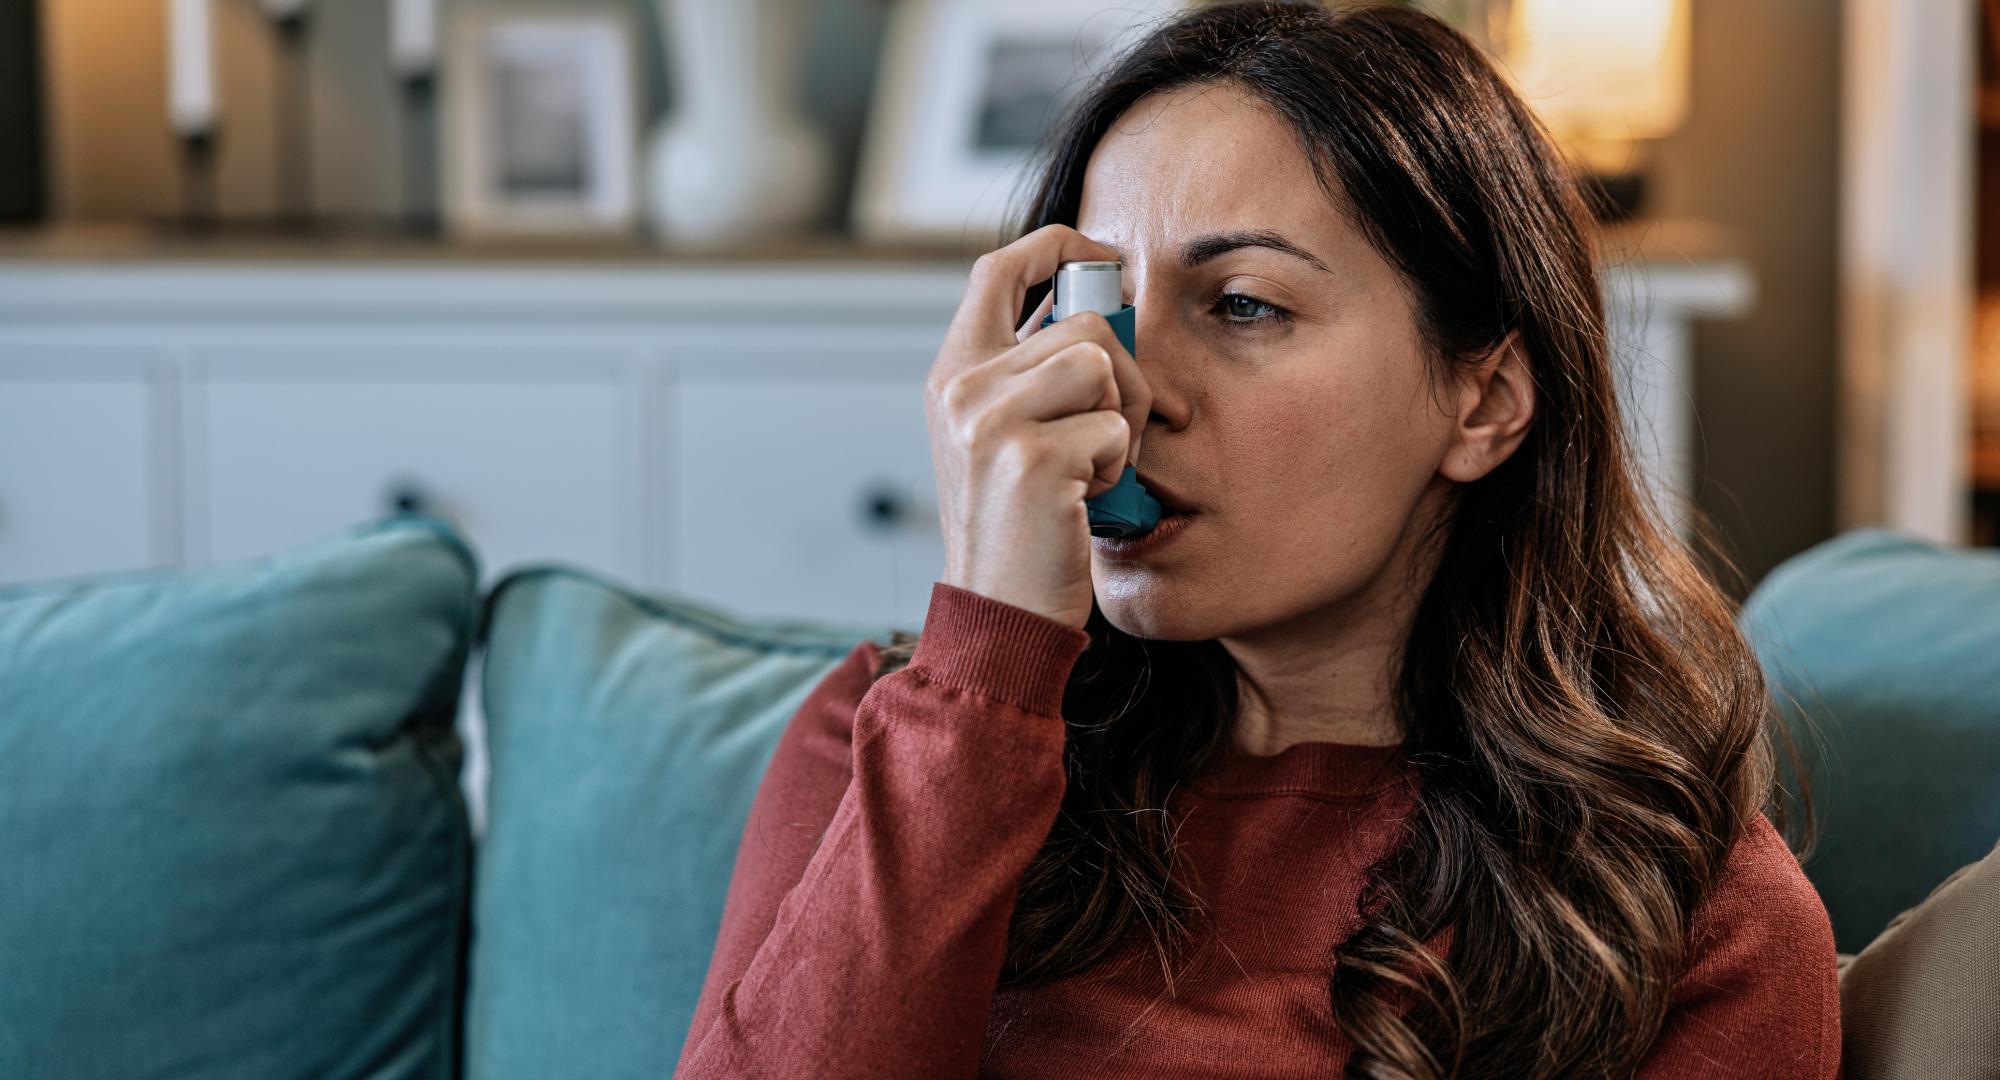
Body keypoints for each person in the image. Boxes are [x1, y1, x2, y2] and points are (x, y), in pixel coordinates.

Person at [676, 2, 1840, 1076]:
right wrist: (986, 662)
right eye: (1099, 308)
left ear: (1481, 404)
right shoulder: (883, 738)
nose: (1126, 392)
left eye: (1241, 305)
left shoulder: (1686, 924)